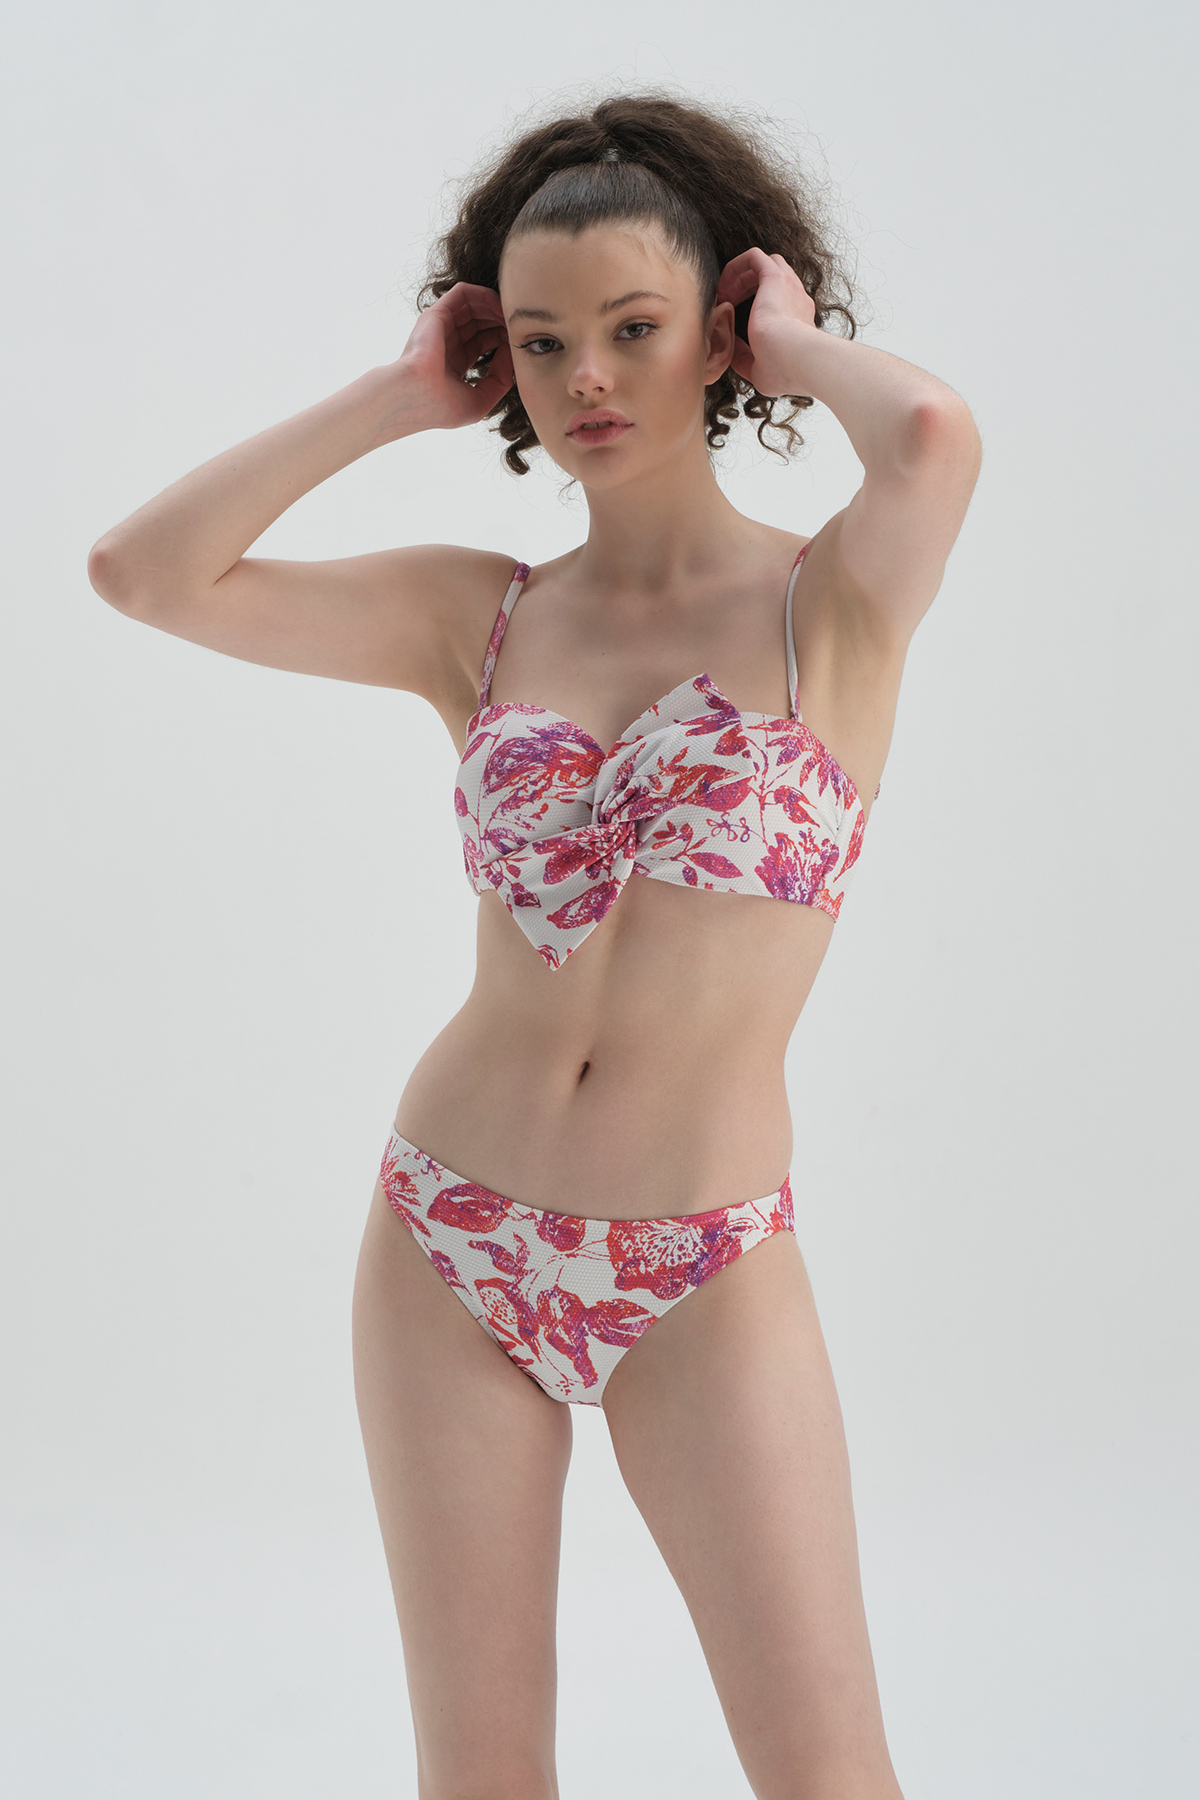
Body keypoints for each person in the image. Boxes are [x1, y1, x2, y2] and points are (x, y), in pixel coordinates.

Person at [88, 89, 980, 1800]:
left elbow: (933, 431)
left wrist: (797, 348)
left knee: (829, 1774)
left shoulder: (835, 603)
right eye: (546, 340)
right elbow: (144, 572)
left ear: (720, 331)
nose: (587, 381)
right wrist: (397, 397)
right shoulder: (481, 616)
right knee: (481, 1772)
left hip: (701, 1264)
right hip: (449, 1235)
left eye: (636, 330)